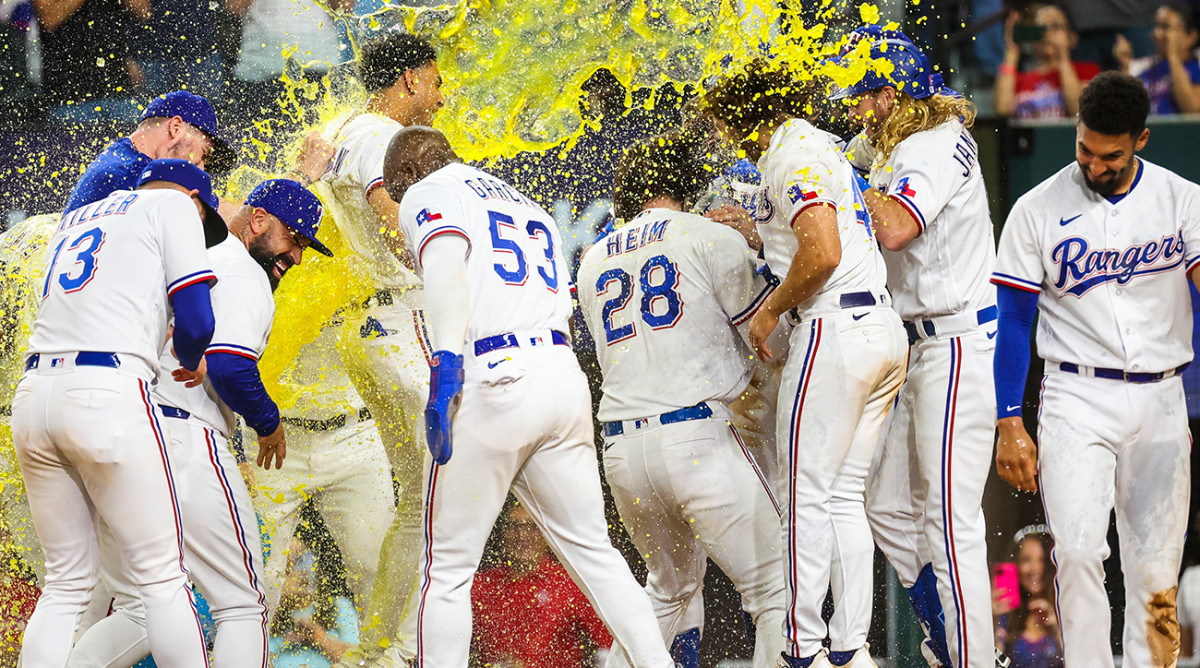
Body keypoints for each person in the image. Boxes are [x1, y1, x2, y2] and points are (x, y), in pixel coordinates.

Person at [381, 125, 674, 668]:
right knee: (597, 556)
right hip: (560, 375)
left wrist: (445, 364)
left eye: (397, 193)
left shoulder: (428, 190)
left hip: (492, 377)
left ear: (407, 174)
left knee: (445, 571)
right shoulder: (528, 204)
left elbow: (445, 272)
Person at [67, 177, 330, 667]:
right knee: (242, 604)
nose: (297, 258)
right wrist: (269, 423)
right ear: (257, 222)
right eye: (295, 240)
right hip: (184, 433)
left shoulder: (182, 255)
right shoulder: (242, 271)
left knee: (137, 607)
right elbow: (230, 365)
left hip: (122, 426)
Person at [992, 71, 1200, 668]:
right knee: (1079, 551)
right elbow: (1012, 320)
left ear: (1142, 139)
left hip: (1162, 395)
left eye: (1111, 154)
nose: (1093, 162)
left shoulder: (1180, 199)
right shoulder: (1038, 208)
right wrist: (1009, 419)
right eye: (1084, 146)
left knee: (1157, 571)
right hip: (1074, 394)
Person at [704, 61, 907, 668]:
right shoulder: (812, 144)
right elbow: (813, 236)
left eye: (723, 122)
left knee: (803, 493)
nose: (720, 135)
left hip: (835, 328)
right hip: (878, 328)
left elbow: (821, 251)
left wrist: (768, 312)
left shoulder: (792, 153)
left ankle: (802, 647)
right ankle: (850, 648)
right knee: (842, 494)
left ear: (746, 117)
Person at [828, 25, 1001, 668]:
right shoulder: (896, 138)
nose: (858, 109)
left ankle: (974, 659)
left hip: (955, 339)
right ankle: (947, 641)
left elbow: (896, 227)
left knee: (950, 525)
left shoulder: (927, 144)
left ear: (896, 92)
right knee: (887, 507)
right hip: (920, 345)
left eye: (867, 95)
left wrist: (843, 181)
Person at [577, 134, 785, 668]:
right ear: (686, 183)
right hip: (698, 438)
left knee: (668, 593)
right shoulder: (708, 235)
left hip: (623, 453)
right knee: (776, 594)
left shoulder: (593, 259)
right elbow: (771, 341)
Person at [12, 159, 226, 667]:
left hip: (35, 394)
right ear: (192, 199)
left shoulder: (79, 216)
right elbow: (197, 320)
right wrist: (191, 359)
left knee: (64, 584)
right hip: (105, 391)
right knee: (163, 579)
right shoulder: (174, 204)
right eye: (205, 221)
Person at [315, 31, 444, 666]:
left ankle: (384, 650)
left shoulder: (335, 129)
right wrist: (436, 258)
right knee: (446, 497)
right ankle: (408, 649)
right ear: (412, 80)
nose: (442, 98)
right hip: (403, 326)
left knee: (423, 504)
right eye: (437, 81)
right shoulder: (375, 134)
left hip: (368, 330)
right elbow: (388, 210)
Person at [257, 323, 395, 640]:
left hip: (355, 430)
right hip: (272, 428)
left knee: (375, 565)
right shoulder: (258, 272)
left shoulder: (364, 271)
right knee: (262, 575)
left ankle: (382, 662)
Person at [471, 502, 615, 668]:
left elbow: (610, 646)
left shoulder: (569, 583)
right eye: (514, 526)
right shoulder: (481, 585)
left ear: (546, 534)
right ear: (502, 533)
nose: (522, 535)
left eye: (532, 527)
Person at [64, 90, 236, 212]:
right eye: (204, 154)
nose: (201, 168)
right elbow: (231, 220)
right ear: (176, 128)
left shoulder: (119, 160)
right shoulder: (136, 176)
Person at [32, 0, 148, 123]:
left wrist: (127, 58)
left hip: (119, 91)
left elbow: (144, 12)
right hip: (70, 95)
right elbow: (49, 19)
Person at [993, 3, 1100, 119]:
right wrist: (1012, 52)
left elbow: (1078, 109)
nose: (1047, 34)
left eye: (1055, 27)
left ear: (1072, 37)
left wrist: (1063, 57)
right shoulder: (1021, 79)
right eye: (1041, 28)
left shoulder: (1088, 71)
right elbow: (1003, 109)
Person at [993, 527, 1062, 668]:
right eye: (1026, 560)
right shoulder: (1006, 615)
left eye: (1042, 560)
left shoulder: (1065, 608)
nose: (1034, 568)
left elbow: (1081, 660)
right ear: (1016, 564)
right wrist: (991, 622)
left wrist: (1057, 628)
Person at [1117, 2, 1200, 114]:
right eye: (1156, 26)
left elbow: (1192, 110)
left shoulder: (1196, 67)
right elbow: (1120, 110)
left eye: (1166, 27)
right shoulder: (1145, 67)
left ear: (1191, 37)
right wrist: (1125, 66)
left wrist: (1174, 57)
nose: (1156, 33)